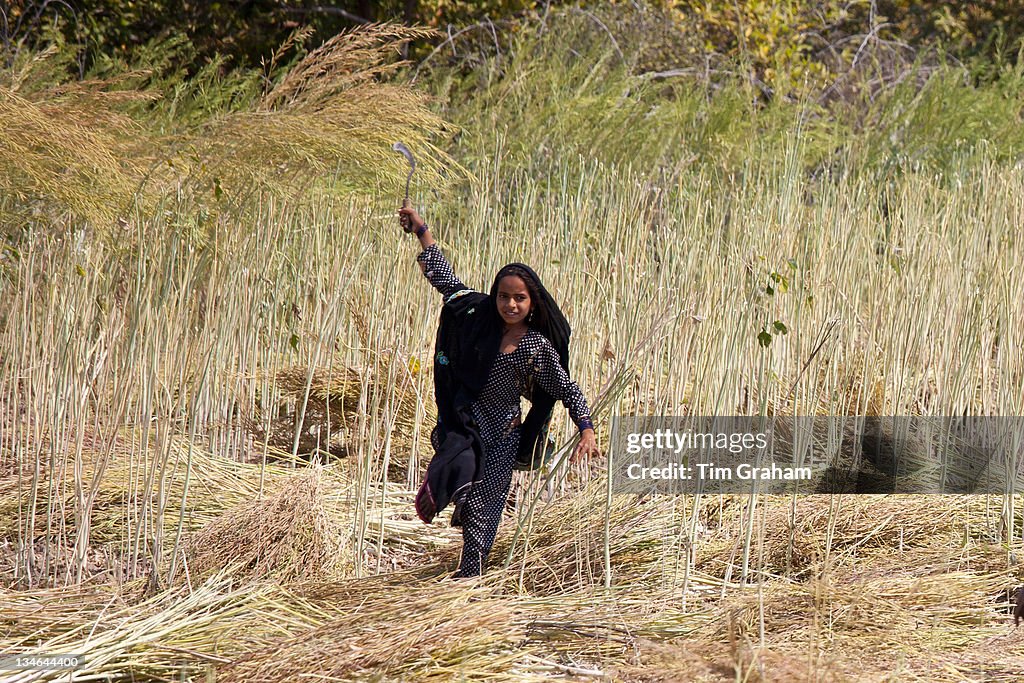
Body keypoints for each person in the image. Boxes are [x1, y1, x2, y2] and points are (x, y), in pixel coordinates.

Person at [400, 206, 598, 577]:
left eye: (519, 298)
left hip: (504, 435)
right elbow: (444, 279)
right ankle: (461, 520)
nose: (510, 304)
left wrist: (585, 427)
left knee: (487, 507)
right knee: (467, 492)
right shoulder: (477, 318)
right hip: (464, 425)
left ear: (532, 302)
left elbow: (566, 387)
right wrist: (421, 230)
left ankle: (469, 576)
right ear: (495, 296)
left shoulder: (535, 348)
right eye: (504, 296)